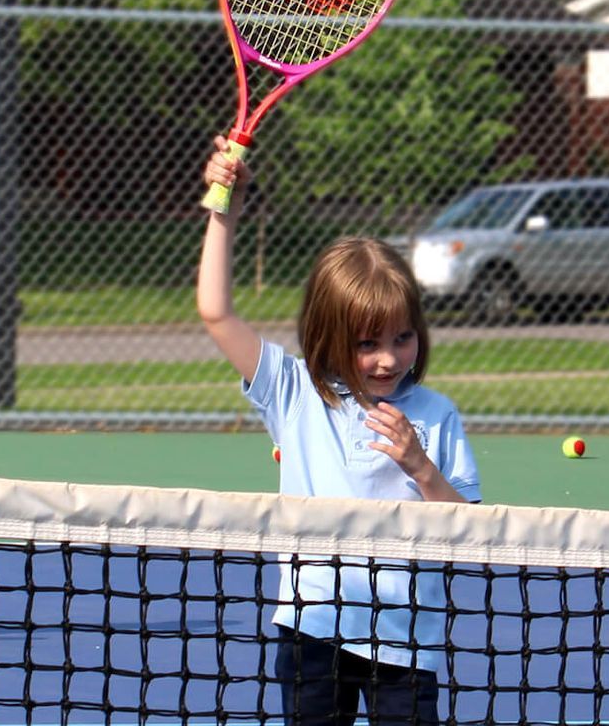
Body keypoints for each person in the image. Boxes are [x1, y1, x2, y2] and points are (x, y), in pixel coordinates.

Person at [196, 137, 480, 726]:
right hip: (312, 628)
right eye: (366, 344)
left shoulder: (437, 413)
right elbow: (216, 311)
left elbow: (470, 531)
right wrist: (226, 206)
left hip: (405, 639)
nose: (387, 359)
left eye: (402, 338)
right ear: (328, 337)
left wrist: (422, 467)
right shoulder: (294, 391)